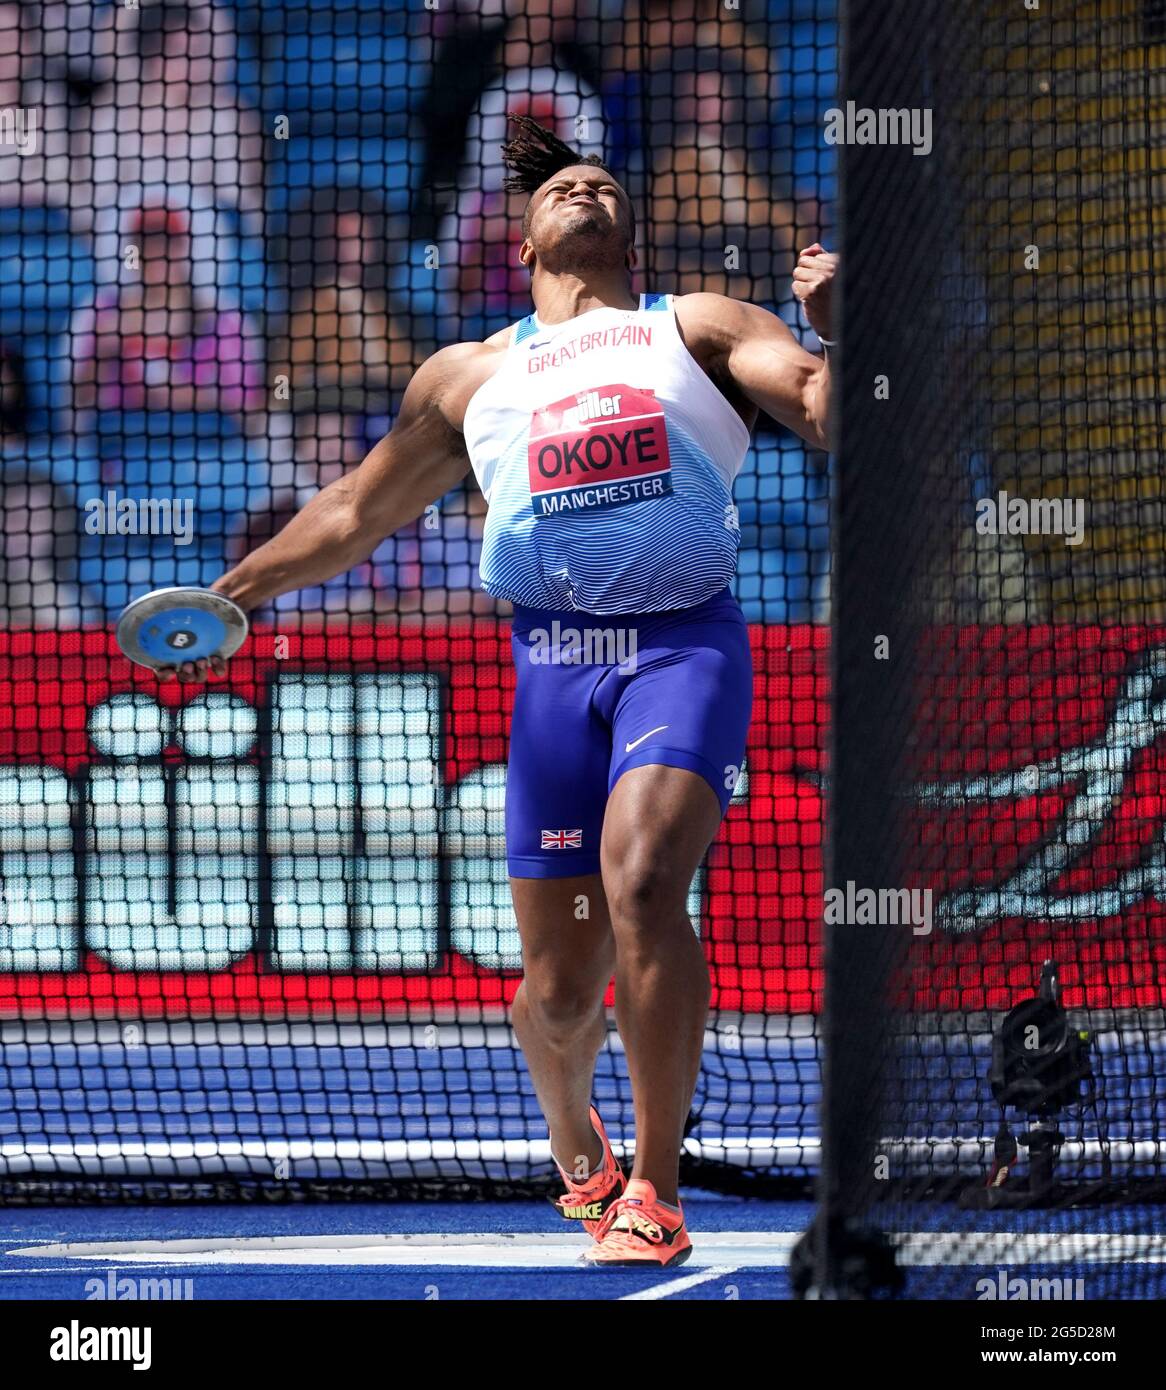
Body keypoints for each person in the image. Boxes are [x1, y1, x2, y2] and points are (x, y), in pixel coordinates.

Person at [172, 116, 836, 1268]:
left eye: (604, 182)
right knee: (556, 992)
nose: (585, 186)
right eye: (563, 183)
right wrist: (234, 594)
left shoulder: (696, 325)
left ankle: (656, 1189)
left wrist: (840, 329)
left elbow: (830, 414)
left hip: (681, 650)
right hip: (550, 674)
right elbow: (351, 512)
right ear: (522, 238)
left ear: (627, 234)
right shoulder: (467, 375)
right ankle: (574, 1139)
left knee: (643, 882)